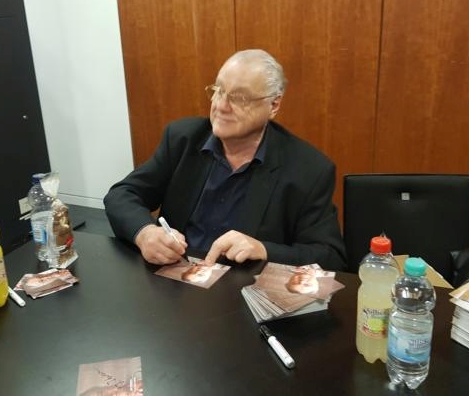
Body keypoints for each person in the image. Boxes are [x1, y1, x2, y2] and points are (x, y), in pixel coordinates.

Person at [104, 49, 347, 270]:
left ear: (273, 105)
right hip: (175, 282)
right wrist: (145, 233)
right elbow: (122, 194)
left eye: (239, 98)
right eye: (219, 90)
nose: (221, 106)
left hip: (241, 290)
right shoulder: (183, 139)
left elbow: (329, 256)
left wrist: (263, 249)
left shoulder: (308, 169)